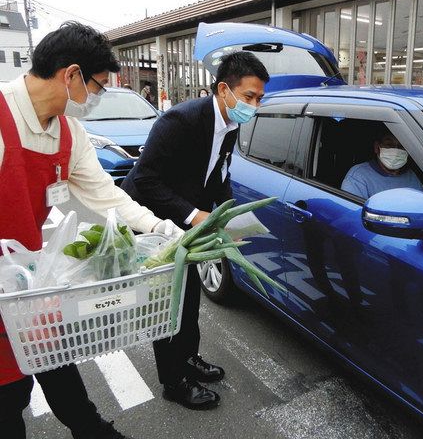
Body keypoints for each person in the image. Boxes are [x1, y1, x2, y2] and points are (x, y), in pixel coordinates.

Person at [0, 22, 182, 439]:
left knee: (54, 356)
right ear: (71, 75)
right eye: (98, 86)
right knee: (9, 397)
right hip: (3, 288)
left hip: (26, 284)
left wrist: (161, 227)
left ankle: (93, 430)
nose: (97, 98)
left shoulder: (69, 131)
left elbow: (107, 196)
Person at [121, 52, 269, 410]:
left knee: (188, 296)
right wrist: (194, 215)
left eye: (259, 99)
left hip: (186, 219)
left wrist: (229, 217)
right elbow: (145, 179)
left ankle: (187, 359)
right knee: (165, 303)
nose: (254, 106)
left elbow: (220, 176)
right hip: (150, 220)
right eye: (249, 97)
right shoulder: (179, 121)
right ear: (224, 89)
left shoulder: (231, 126)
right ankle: (173, 382)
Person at [341, 128, 423, 198]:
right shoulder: (358, 176)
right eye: (389, 144)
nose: (395, 150)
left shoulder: (411, 176)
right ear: (377, 147)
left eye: (401, 146)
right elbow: (353, 212)